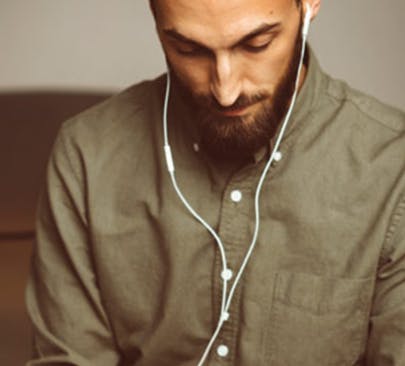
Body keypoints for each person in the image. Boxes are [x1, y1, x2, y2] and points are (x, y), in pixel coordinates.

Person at [26, 0, 405, 365]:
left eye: (257, 44)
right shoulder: (87, 155)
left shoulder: (392, 169)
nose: (226, 90)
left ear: (308, 5)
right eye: (188, 49)